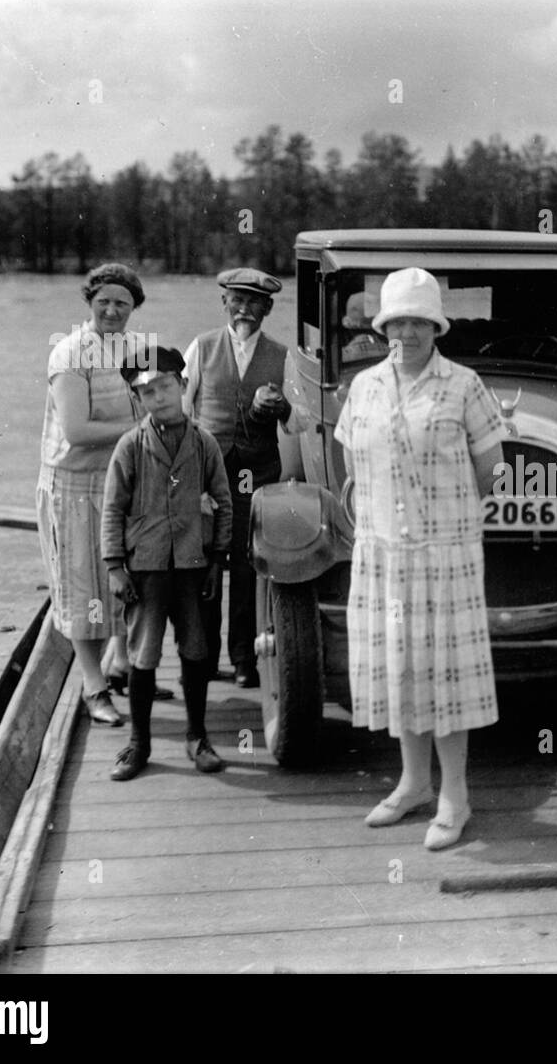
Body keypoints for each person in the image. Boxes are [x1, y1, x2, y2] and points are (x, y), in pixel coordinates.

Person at [334, 267, 507, 851]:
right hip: (384, 554)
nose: (406, 332)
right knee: (400, 669)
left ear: (436, 326)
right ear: (383, 326)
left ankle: (454, 796)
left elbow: (493, 470)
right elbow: (351, 468)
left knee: (445, 677)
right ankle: (412, 783)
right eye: (397, 321)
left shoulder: (464, 384)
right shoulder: (364, 387)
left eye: (417, 321)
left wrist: (445, 513)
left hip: (445, 557)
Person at [101, 347, 233, 781]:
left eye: (164, 387)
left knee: (197, 650)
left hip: (194, 567)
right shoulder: (130, 446)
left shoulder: (204, 443)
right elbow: (112, 510)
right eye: (146, 392)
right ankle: (139, 744)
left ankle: (198, 736)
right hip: (146, 568)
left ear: (182, 386)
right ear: (138, 398)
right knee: (143, 655)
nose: (156, 397)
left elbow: (225, 503)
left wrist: (217, 560)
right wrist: (116, 566)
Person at [182, 268, 305, 689]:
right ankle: (202, 656)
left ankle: (243, 659)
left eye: (254, 302)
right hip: (208, 473)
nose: (244, 309)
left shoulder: (283, 355)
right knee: (206, 562)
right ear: (224, 304)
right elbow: (181, 413)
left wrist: (282, 410)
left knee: (248, 564)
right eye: (237, 300)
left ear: (268, 309)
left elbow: (300, 421)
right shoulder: (201, 347)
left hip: (256, 474)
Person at [37, 263, 148, 726]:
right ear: (89, 302)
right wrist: (144, 427)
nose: (112, 310)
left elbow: (154, 399)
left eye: (122, 302)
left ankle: (121, 663)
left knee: (125, 578)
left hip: (119, 479)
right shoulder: (69, 353)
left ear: (133, 308)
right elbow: (78, 431)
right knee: (85, 586)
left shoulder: (135, 350)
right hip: (73, 484)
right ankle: (93, 687)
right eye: (103, 300)